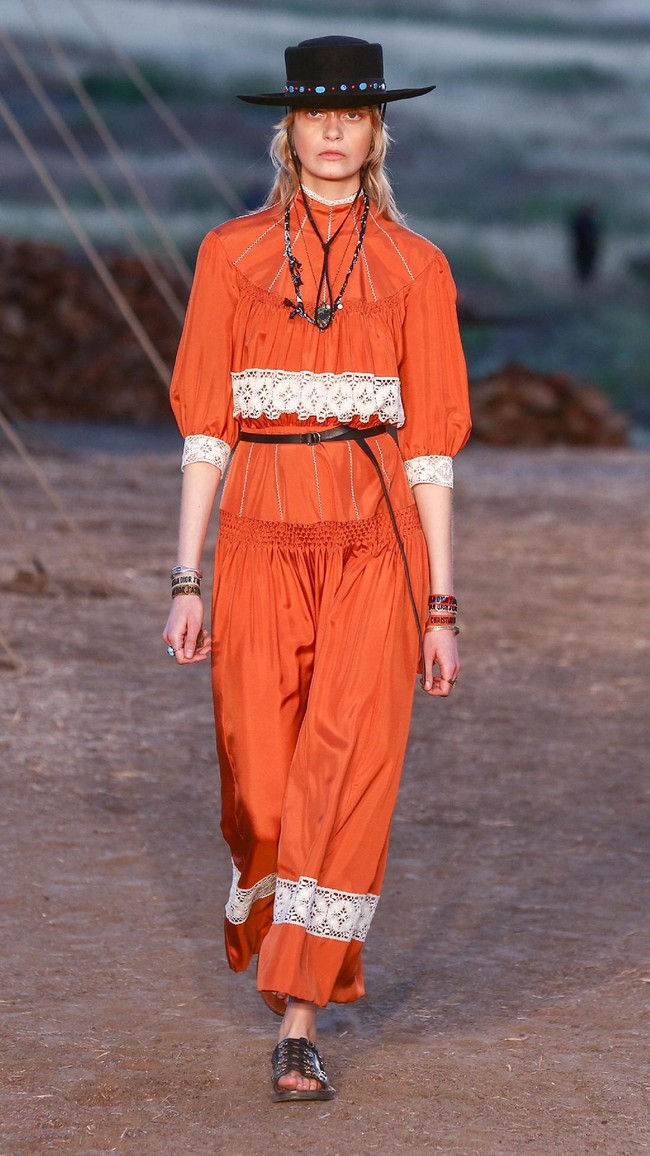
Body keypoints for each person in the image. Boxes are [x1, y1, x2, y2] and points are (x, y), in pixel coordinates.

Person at [162, 35, 471, 1103]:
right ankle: (271, 925)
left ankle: (299, 1018)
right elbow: (204, 426)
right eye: (316, 112)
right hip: (253, 531)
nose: (335, 129)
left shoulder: (415, 266)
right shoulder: (229, 254)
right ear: (288, 130)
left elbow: (428, 448)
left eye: (355, 113)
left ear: (377, 131)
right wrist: (183, 578)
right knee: (260, 781)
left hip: (372, 539)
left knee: (346, 765)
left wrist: (440, 601)